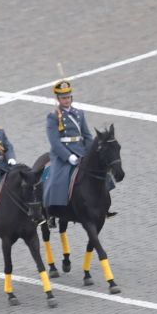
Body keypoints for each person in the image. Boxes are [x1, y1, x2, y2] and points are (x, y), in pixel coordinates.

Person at [41, 79, 105, 214]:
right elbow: (54, 142)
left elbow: (87, 135)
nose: (66, 100)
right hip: (62, 153)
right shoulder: (53, 117)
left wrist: (90, 151)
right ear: (58, 99)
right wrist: (68, 156)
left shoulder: (79, 113)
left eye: (68, 97)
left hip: (80, 149)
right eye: (63, 98)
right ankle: (51, 210)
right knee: (56, 180)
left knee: (101, 172)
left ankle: (104, 205)